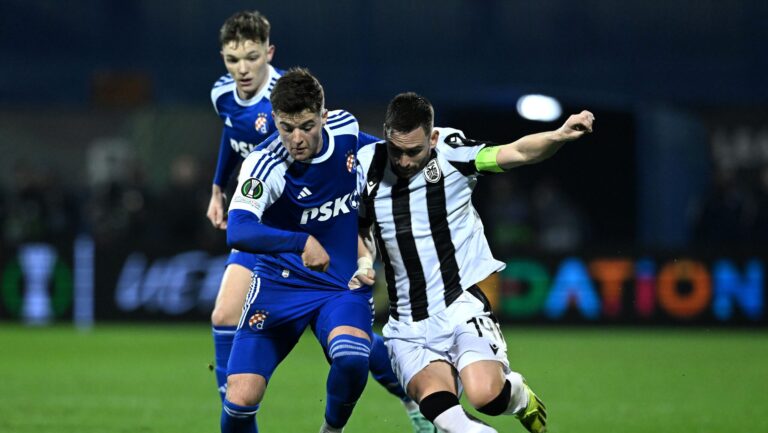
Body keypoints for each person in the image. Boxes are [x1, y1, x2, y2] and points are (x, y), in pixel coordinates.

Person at [207, 12, 436, 432]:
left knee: (352, 357)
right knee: (240, 400)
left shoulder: (346, 129)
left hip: (337, 279)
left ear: (324, 116)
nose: (296, 138)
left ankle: (334, 429)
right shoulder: (263, 165)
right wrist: (298, 241)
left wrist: (431, 158)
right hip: (279, 281)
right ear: (275, 122)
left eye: (307, 127)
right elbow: (238, 231)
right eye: (286, 128)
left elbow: (378, 153)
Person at [356, 92, 595, 433]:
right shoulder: (365, 165)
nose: (405, 161)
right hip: (406, 326)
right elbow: (361, 228)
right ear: (386, 134)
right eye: (397, 151)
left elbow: (516, 152)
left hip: (460, 306)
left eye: (414, 151)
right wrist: (365, 261)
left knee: (486, 397)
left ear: (433, 137)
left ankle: (518, 397)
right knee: (448, 418)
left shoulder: (453, 152)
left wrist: (558, 136)